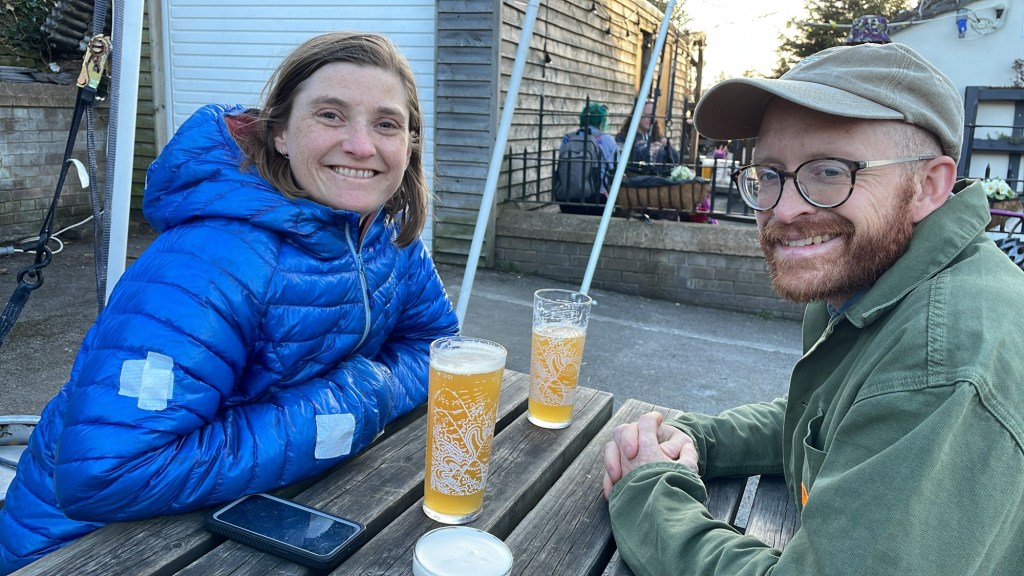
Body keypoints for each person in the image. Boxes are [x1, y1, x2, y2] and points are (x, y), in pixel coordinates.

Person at [0, 31, 459, 573]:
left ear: (409, 143)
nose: (361, 145)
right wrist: (350, 405)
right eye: (330, 116)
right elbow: (106, 474)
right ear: (280, 133)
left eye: (386, 124)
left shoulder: (383, 235)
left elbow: (439, 349)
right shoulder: (209, 261)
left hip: (242, 516)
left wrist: (370, 388)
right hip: (81, 548)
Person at [602, 42, 1024, 575]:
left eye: (829, 171)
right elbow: (833, 417)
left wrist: (646, 490)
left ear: (927, 187)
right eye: (769, 173)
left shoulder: (942, 359)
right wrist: (700, 438)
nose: (784, 209)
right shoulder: (876, 282)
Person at [553, 101, 619, 215]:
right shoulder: (607, 139)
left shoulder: (568, 138)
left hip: (567, 199)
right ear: (601, 122)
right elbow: (615, 168)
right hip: (597, 199)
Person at [614, 98, 679, 173]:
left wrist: (668, 146)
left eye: (653, 116)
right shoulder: (623, 137)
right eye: (647, 115)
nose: (650, 119)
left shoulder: (657, 136)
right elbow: (621, 161)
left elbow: (675, 160)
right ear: (637, 115)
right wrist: (645, 149)